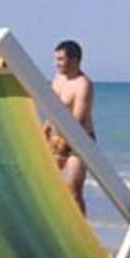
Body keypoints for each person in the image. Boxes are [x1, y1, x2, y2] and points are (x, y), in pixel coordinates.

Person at [47, 38, 96, 215]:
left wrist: (62, 147)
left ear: (74, 60)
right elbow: (52, 110)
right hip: (57, 139)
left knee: (73, 189)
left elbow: (78, 121)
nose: (56, 63)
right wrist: (45, 132)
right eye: (56, 59)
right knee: (49, 188)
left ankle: (82, 228)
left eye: (61, 59)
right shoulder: (58, 79)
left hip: (79, 142)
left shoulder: (84, 84)